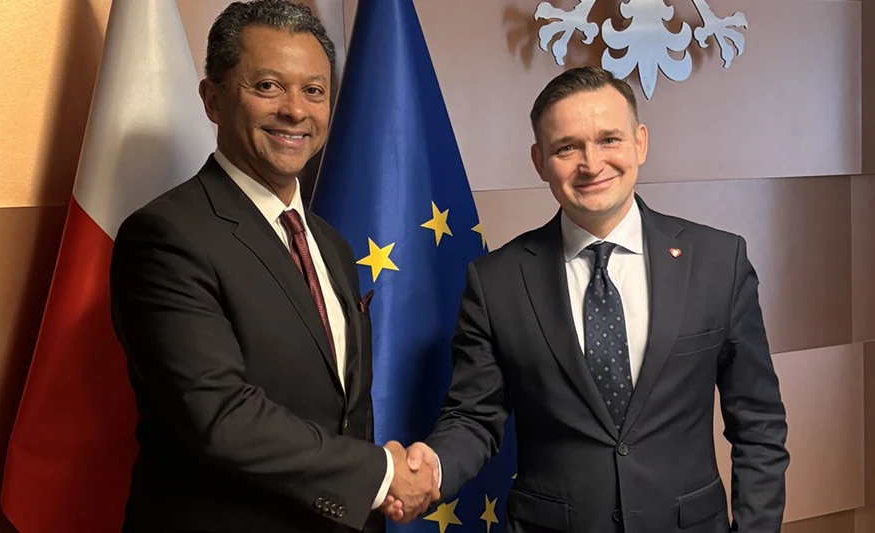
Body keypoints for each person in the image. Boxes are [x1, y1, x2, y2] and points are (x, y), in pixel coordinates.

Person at [399, 66, 790, 532]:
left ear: (640, 142)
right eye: (567, 147)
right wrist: (434, 466)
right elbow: (475, 418)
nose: (591, 163)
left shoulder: (719, 261)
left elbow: (759, 425)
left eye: (609, 139)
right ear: (540, 160)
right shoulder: (495, 281)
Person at [109, 2, 437, 532]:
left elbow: (343, 412)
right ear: (212, 100)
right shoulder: (165, 237)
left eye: (314, 90)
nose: (295, 110)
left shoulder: (329, 243)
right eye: (267, 85)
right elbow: (220, 417)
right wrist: (380, 474)